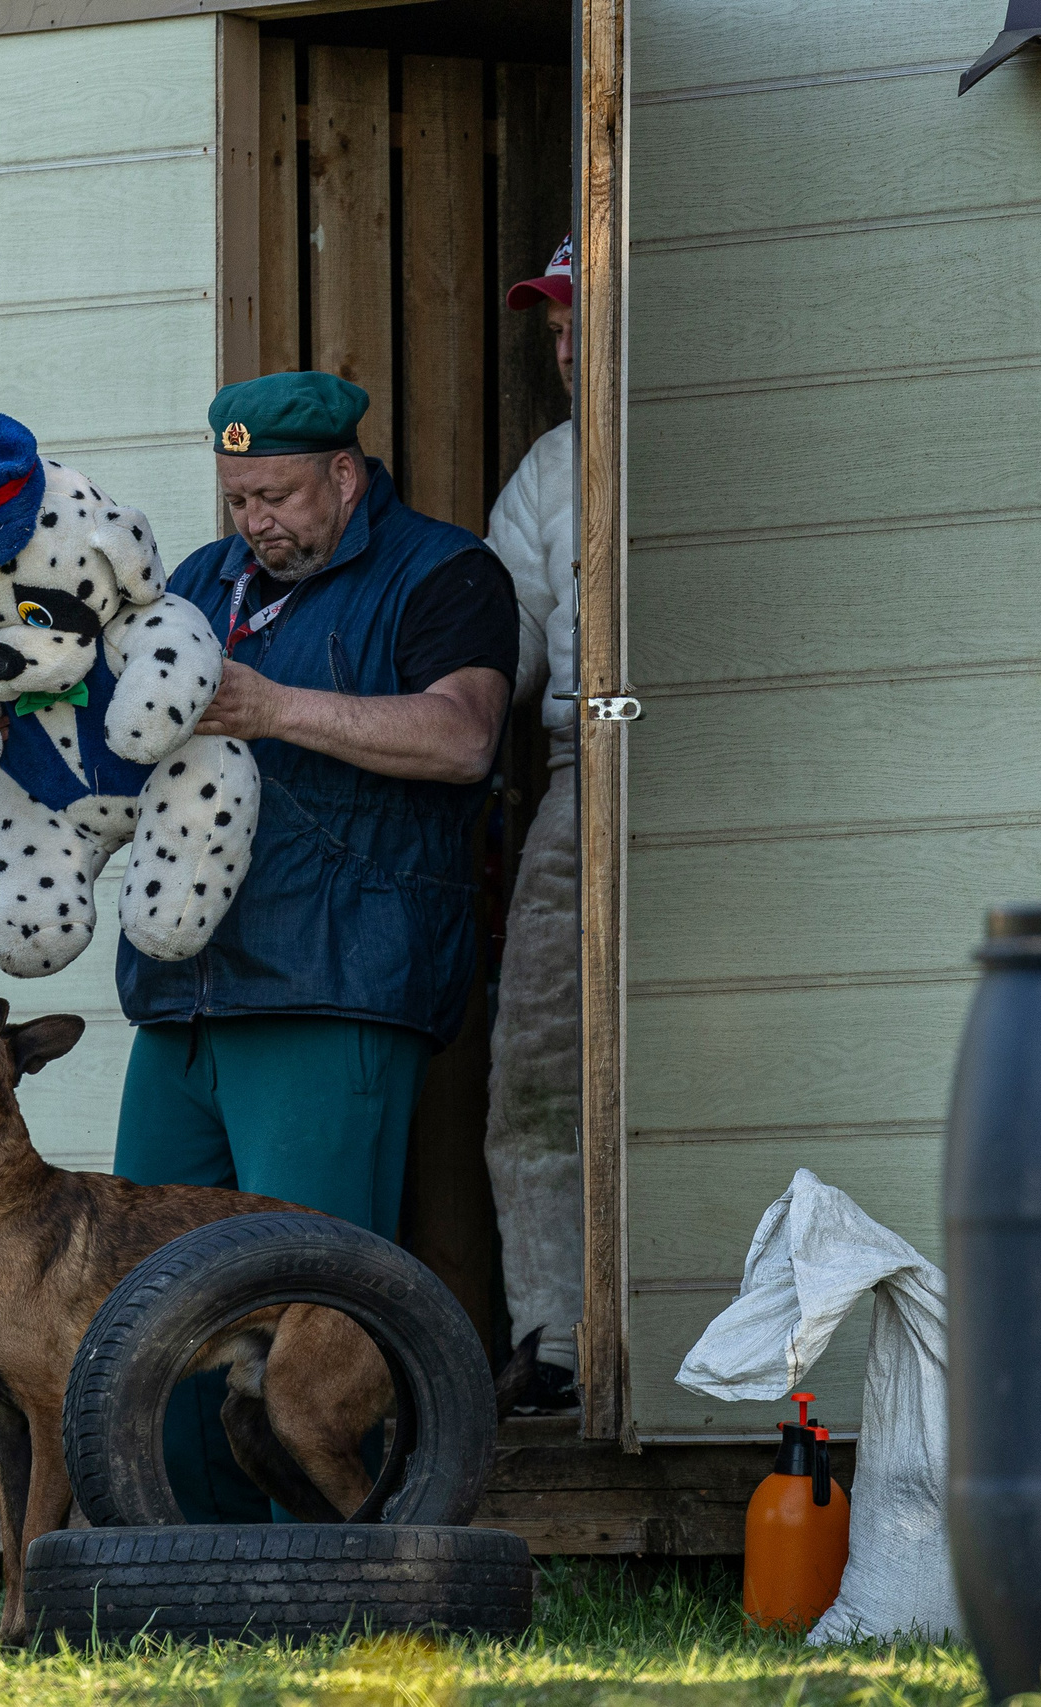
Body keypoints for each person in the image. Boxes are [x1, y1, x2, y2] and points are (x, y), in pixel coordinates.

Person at [114, 370, 519, 1521]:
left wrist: (274, 706)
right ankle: (177, 1569)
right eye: (237, 498)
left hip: (332, 986)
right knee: (146, 1303)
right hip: (179, 996)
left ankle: (325, 1572)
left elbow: (463, 736)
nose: (255, 523)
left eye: (278, 496)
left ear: (344, 475)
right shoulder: (198, 583)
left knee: (304, 1317)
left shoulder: (445, 572)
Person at [484, 235, 584, 1414]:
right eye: (554, 329)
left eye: (581, 322)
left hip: (727, 775)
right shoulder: (552, 468)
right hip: (581, 771)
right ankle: (559, 1342)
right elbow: (495, 650)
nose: (564, 347)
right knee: (541, 1072)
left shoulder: (718, 449)